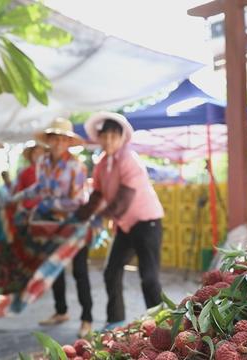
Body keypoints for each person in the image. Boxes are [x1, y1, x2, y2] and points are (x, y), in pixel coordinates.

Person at [75, 112, 164, 330]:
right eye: (105, 136)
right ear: (99, 137)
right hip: (125, 225)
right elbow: (96, 194)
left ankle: (163, 323)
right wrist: (80, 216)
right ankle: (115, 319)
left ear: (122, 138)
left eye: (114, 136)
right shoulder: (102, 163)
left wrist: (98, 218)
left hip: (147, 223)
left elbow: (124, 200)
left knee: (149, 277)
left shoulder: (129, 159)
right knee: (111, 271)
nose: (109, 141)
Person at [14, 118, 93, 337]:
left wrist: (48, 203)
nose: (58, 143)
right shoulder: (43, 163)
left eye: (62, 139)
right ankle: (61, 311)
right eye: (54, 139)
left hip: (75, 224)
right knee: (54, 269)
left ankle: (87, 319)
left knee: (80, 272)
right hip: (51, 224)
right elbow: (38, 189)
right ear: (48, 141)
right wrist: (16, 199)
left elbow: (78, 201)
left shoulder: (76, 166)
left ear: (68, 142)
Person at [14, 141, 47, 209]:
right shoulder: (26, 172)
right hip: (29, 207)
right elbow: (20, 190)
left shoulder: (49, 170)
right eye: (35, 153)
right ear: (31, 155)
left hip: (46, 206)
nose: (38, 155)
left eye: (41, 153)